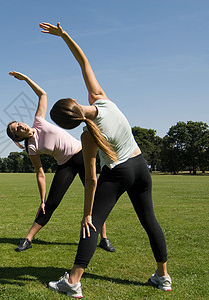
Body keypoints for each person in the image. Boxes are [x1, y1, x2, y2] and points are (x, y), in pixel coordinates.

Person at [39, 22, 172, 298]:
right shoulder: (102, 100)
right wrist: (64, 36)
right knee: (150, 221)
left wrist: (88, 213)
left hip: (119, 172)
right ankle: (163, 276)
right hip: (140, 166)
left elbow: (91, 179)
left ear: (69, 125)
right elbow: (83, 61)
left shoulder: (87, 137)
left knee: (92, 224)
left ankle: (73, 281)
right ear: (75, 101)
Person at [6, 71, 115, 253]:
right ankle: (28, 239)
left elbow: (43, 94)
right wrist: (41, 198)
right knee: (50, 204)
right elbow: (40, 173)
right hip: (65, 165)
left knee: (95, 199)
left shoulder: (38, 121)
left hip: (83, 155)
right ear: (17, 135)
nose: (21, 125)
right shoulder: (31, 148)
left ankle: (104, 239)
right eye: (16, 128)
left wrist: (25, 79)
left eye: (18, 123)